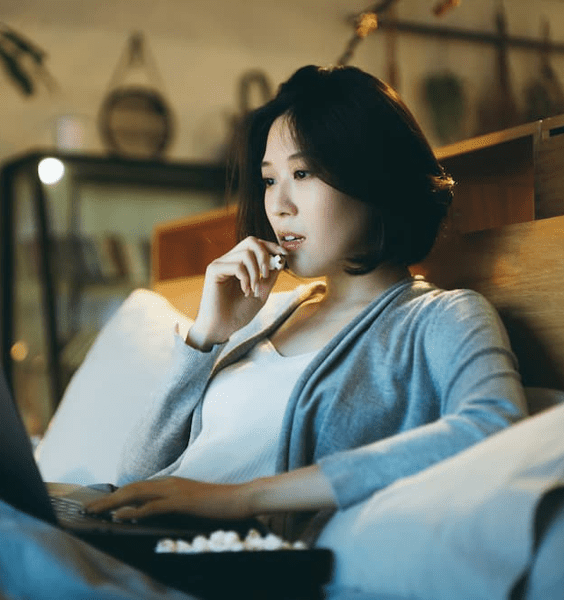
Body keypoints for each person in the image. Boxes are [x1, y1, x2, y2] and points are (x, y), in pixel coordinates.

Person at [85, 64, 527, 537]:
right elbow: (133, 480)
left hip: (224, 565)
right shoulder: (272, 313)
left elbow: (495, 428)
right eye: (270, 179)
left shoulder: (441, 317)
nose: (278, 205)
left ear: (374, 177)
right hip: (141, 542)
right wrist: (206, 336)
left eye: (303, 172)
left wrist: (242, 497)